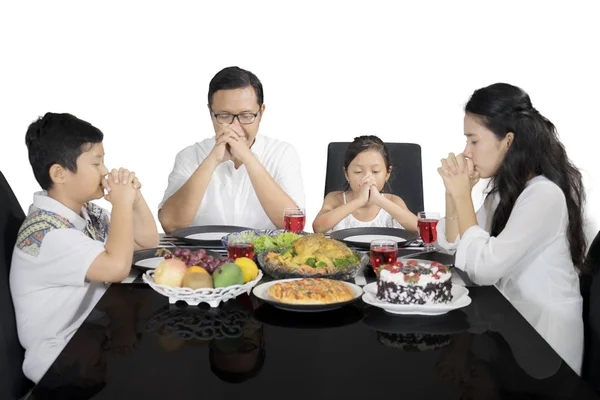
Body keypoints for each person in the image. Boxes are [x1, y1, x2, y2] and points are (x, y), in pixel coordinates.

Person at [436, 83, 586, 374]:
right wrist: (453, 194)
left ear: (507, 141)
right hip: (510, 328)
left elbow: (484, 267)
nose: (466, 152)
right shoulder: (504, 192)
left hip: (544, 346)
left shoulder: (543, 195)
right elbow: (457, 243)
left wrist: (463, 196)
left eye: (473, 141)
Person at [10, 112, 159, 383]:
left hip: (88, 331)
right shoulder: (48, 234)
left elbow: (145, 242)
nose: (105, 172)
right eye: (96, 163)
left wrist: (134, 198)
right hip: (59, 358)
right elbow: (116, 267)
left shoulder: (84, 212)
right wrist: (121, 203)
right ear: (59, 173)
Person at [158, 66, 305, 232]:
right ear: (211, 113)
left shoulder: (282, 153)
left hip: (265, 256)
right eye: (224, 116)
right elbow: (170, 224)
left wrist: (248, 158)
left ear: (261, 113)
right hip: (203, 255)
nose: (235, 127)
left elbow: (294, 227)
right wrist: (213, 160)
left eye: (246, 116)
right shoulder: (189, 156)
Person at [312, 135, 418, 233]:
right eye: (358, 171)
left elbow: (419, 228)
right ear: (346, 174)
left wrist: (379, 200)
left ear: (387, 174)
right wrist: (359, 201)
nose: (367, 179)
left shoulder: (393, 201)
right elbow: (318, 227)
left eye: (375, 171)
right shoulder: (334, 199)